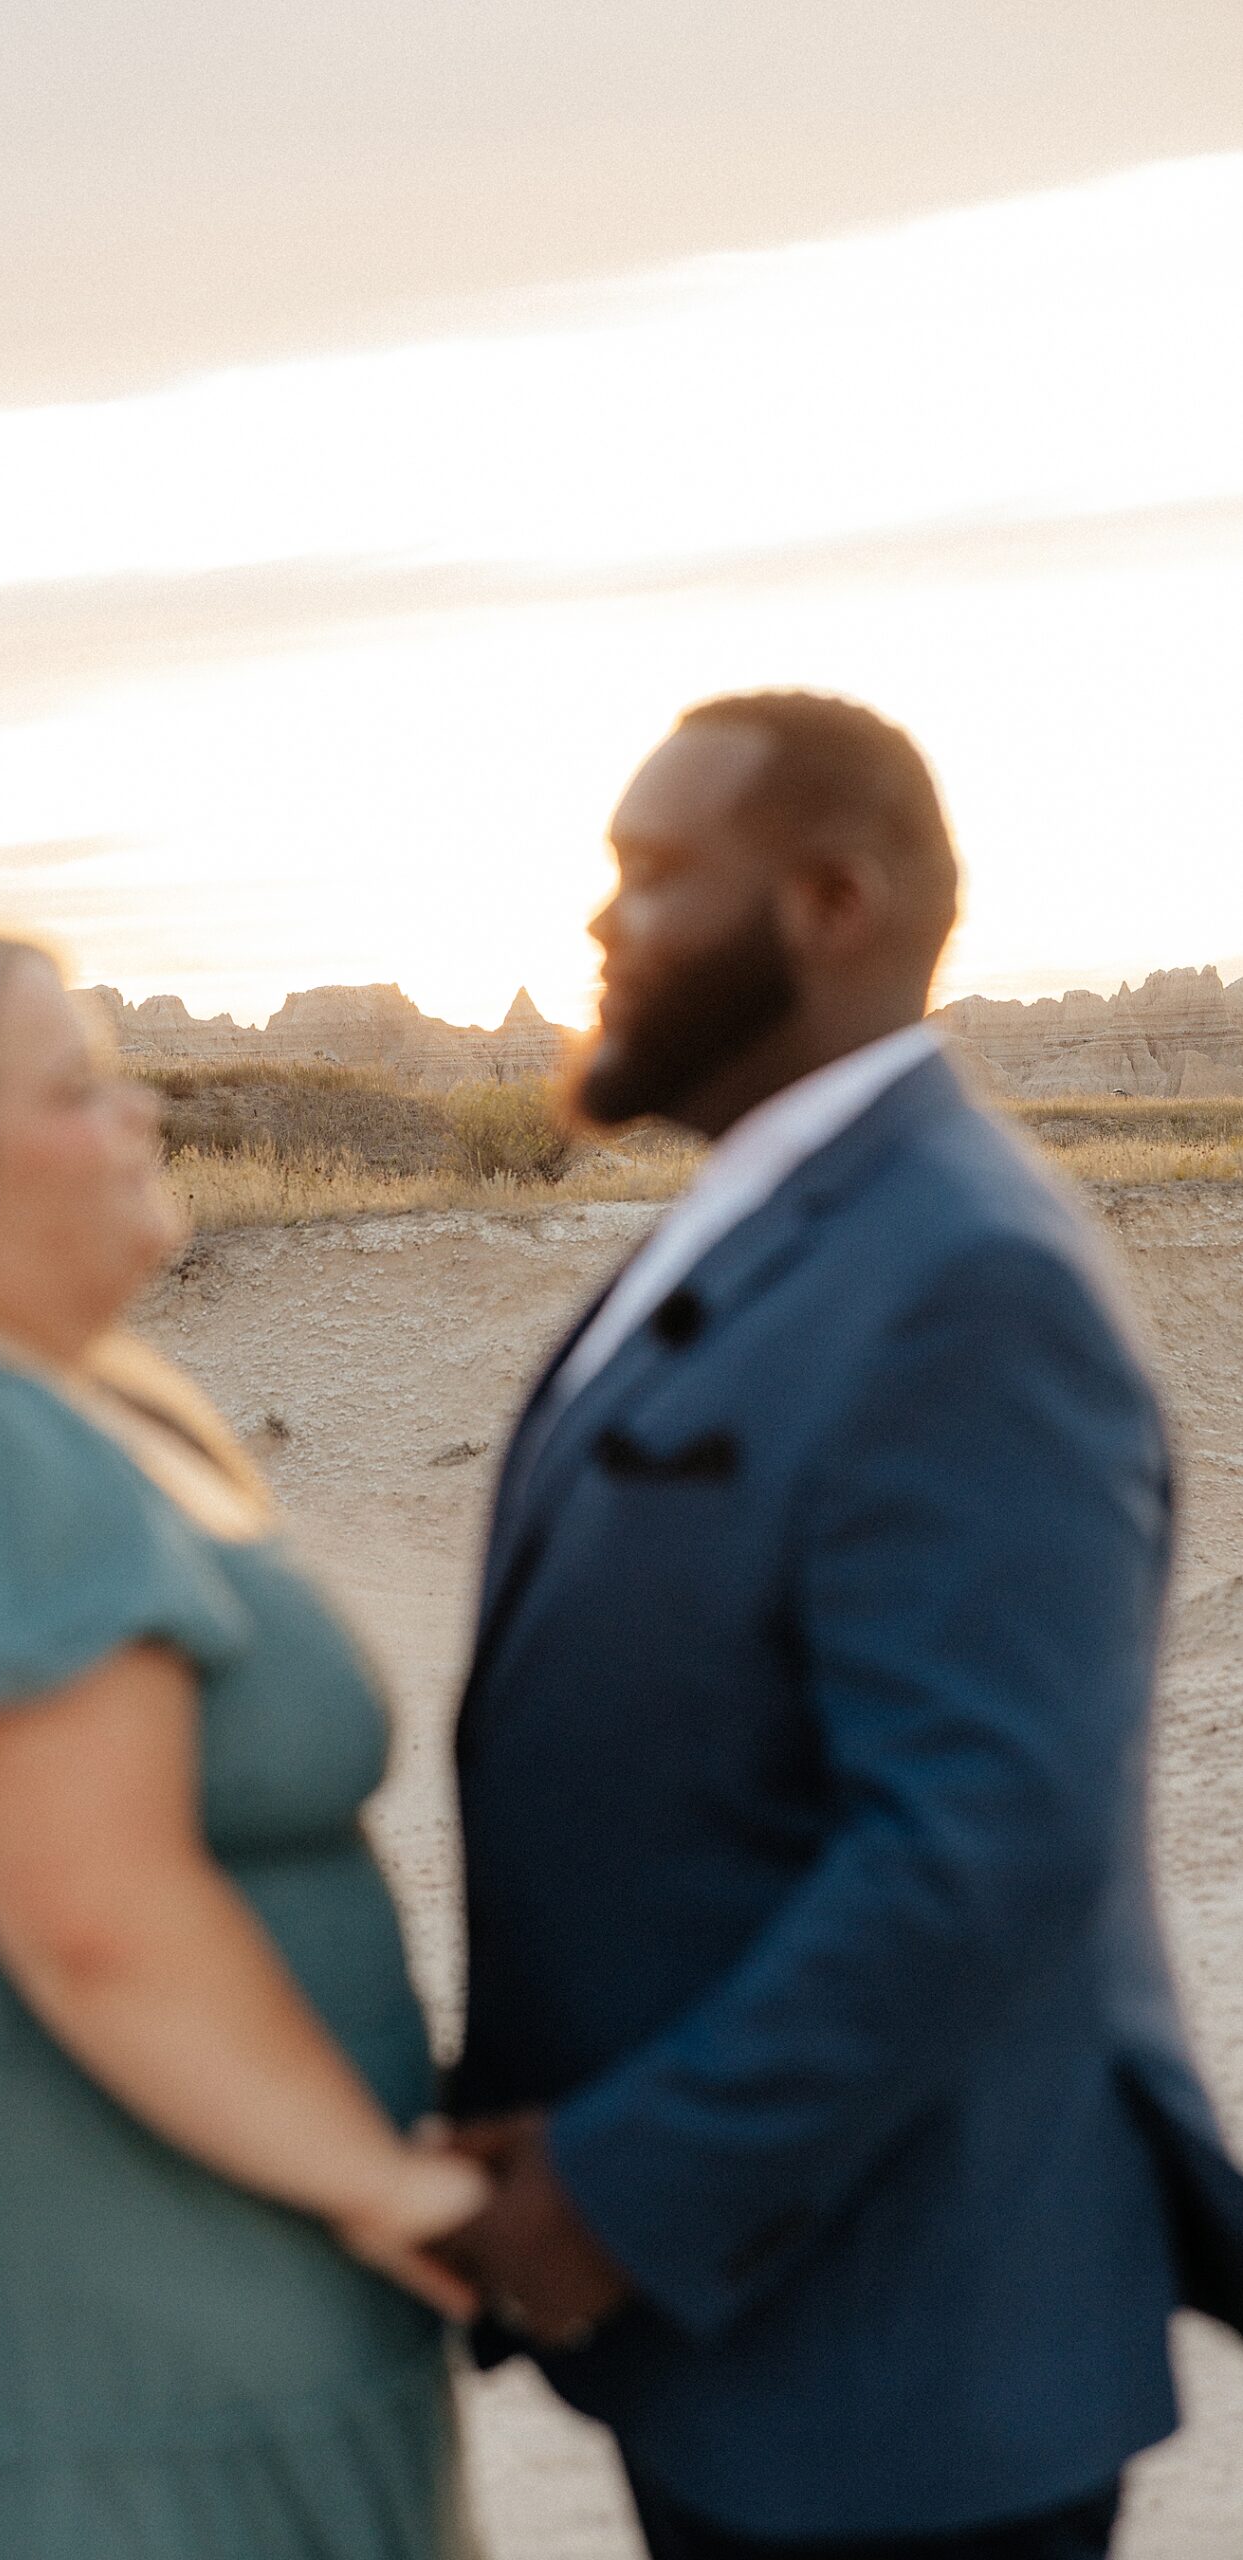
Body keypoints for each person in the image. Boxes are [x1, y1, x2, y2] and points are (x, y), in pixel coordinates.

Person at [436, 691, 1243, 2557]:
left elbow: (978, 1845)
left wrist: (614, 2192)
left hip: (903, 2364)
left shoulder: (967, 1280)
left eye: (651, 877)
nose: (599, 927)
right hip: (756, 2327)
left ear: (827, 902)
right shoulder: (772, 1211)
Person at [0, 931, 486, 2560]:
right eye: (74, 1088)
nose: (138, 1113)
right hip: (88, 2351)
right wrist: (388, 2187)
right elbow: (96, 1922)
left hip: (95, 2303)